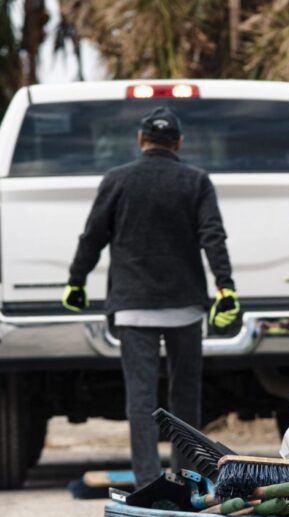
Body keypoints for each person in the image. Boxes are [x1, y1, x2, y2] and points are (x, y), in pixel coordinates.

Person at [62, 106, 239, 488]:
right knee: (185, 397)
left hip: (133, 307)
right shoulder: (196, 181)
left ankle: (147, 483)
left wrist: (76, 280)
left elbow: (92, 236)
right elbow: (213, 236)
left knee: (140, 400)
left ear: (141, 140)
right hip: (185, 308)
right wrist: (226, 287)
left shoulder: (117, 180)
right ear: (179, 142)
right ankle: (188, 478)